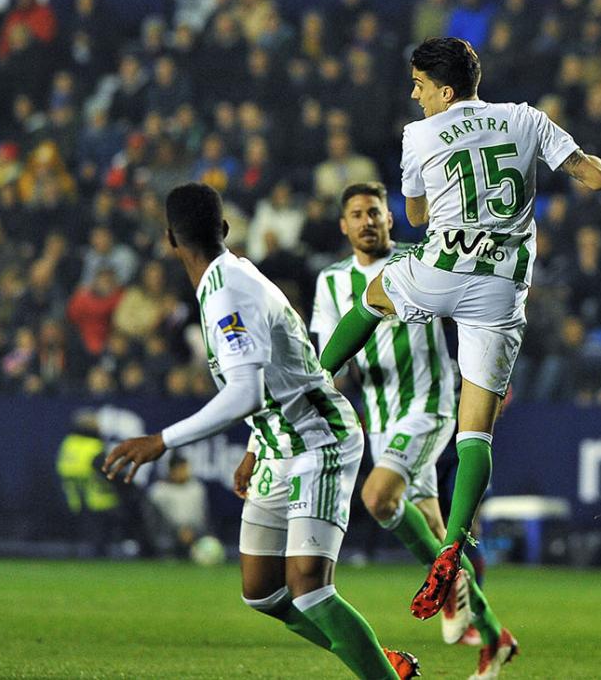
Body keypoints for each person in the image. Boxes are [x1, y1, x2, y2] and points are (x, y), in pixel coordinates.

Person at [315, 37, 601, 647]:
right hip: (501, 291)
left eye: (420, 85)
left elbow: (417, 219)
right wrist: (578, 169)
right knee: (475, 432)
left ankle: (313, 382)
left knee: (370, 301)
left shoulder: (419, 136)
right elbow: (595, 176)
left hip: (443, 267)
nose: (415, 94)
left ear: (445, 91)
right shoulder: (525, 118)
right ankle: (454, 544)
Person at [102, 183, 418, 680]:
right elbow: (275, 375)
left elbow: (244, 393)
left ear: (168, 240)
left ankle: (379, 672)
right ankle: (379, 661)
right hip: (276, 444)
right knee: (262, 592)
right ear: (225, 229)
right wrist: (255, 444)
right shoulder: (233, 275)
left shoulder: (227, 292)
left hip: (319, 440)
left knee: (309, 586)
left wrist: (160, 441)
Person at [312, 182, 513, 657]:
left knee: (378, 498)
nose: (367, 221)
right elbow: (330, 354)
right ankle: (493, 634)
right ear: (344, 225)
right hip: (380, 416)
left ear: (389, 217)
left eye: (375, 212)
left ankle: (454, 596)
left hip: (428, 404)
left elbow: (468, 312)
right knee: (431, 537)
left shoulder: (420, 257)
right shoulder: (331, 281)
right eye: (357, 214)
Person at [56, 409, 120, 556]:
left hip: (73, 499)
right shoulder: (93, 446)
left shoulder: (68, 443)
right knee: (99, 545)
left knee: (82, 543)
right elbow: (106, 470)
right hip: (98, 500)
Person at [146, 454, 209, 559]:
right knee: (164, 544)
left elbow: (203, 517)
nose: (185, 472)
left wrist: (192, 531)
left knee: (210, 545)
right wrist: (178, 531)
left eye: (186, 468)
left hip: (195, 534)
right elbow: (154, 522)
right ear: (172, 470)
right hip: (168, 536)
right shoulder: (158, 491)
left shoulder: (197, 488)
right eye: (181, 469)